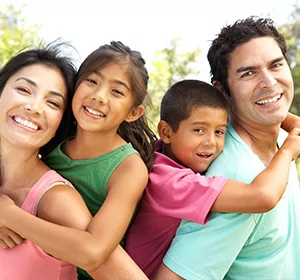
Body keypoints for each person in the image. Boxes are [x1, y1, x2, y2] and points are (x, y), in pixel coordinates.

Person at [155, 16, 300, 280]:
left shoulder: (282, 138)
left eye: (276, 65)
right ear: (223, 90)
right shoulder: (236, 175)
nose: (269, 82)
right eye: (248, 73)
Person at [0, 41, 156, 280]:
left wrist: (9, 216)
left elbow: (93, 252)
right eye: (92, 81)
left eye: (116, 91)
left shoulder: (127, 167)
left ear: (133, 112)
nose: (99, 96)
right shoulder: (55, 148)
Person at [124, 79, 300, 279]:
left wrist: (291, 122)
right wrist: (287, 152)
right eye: (199, 130)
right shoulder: (170, 183)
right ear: (165, 132)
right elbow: (263, 197)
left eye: (219, 132)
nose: (211, 142)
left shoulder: (162, 153)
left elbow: (243, 113)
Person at [0, 42, 95, 279]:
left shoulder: (56, 200)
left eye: (52, 103)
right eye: (24, 90)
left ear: (58, 126)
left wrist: (11, 217)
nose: (34, 107)